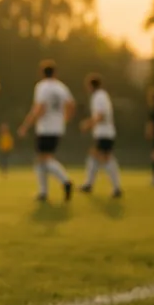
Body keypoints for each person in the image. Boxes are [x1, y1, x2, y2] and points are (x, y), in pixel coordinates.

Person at [18, 60, 75, 201]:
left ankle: (65, 181)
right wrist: (64, 120)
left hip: (45, 128)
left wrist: (26, 126)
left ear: (42, 73)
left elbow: (39, 108)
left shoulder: (42, 86)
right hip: (57, 127)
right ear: (55, 73)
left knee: (44, 159)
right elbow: (71, 105)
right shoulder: (61, 87)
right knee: (41, 160)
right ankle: (43, 193)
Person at [80, 74, 122, 198]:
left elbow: (101, 115)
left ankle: (116, 188)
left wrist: (88, 124)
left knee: (105, 158)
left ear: (91, 86)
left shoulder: (99, 96)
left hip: (105, 133)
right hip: (103, 133)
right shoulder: (101, 96)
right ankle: (89, 184)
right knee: (94, 156)